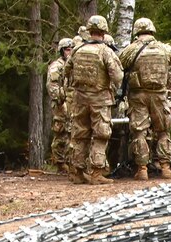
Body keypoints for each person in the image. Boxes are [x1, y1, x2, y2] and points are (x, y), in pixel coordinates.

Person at [119, 18, 171, 180]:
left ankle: (142, 169)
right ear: (152, 31)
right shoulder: (164, 48)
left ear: (137, 31)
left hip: (138, 95)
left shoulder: (131, 49)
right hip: (160, 95)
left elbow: (120, 63)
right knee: (162, 131)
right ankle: (166, 167)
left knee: (139, 132)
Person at [65, 15, 123, 185]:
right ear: (104, 32)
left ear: (89, 31)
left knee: (80, 135)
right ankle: (97, 173)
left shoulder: (77, 49)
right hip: (100, 100)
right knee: (100, 135)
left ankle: (77, 172)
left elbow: (66, 72)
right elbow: (118, 75)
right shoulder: (105, 51)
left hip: (80, 99)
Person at [47, 38, 74, 173]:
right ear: (62, 51)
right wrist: (61, 99)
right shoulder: (56, 66)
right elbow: (52, 87)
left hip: (71, 102)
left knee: (70, 132)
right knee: (60, 132)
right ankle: (60, 162)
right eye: (68, 49)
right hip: (60, 103)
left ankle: (70, 161)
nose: (70, 52)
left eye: (71, 49)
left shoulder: (73, 64)